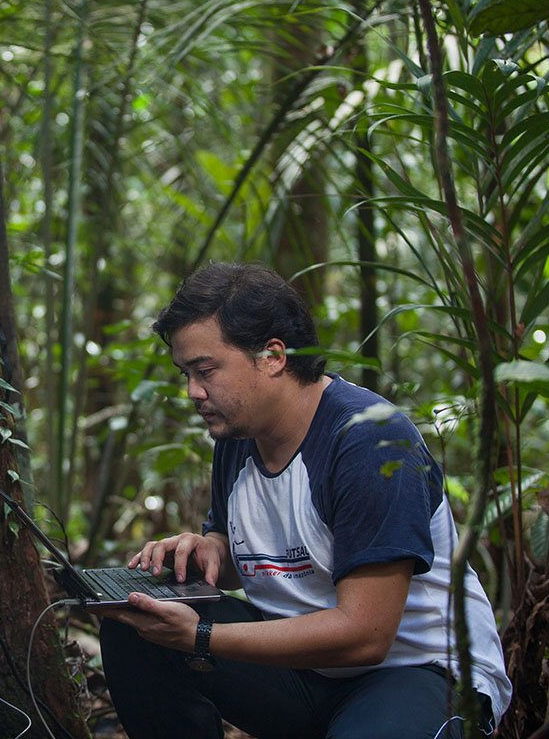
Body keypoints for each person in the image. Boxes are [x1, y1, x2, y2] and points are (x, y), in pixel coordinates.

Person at [100, 262, 511, 739]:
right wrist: (209, 548)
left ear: (272, 356)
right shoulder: (237, 435)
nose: (193, 391)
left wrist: (201, 637)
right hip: (304, 672)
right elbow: (238, 553)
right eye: (186, 373)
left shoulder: (368, 440)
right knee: (137, 625)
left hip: (416, 671)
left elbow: (367, 636)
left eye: (205, 370)